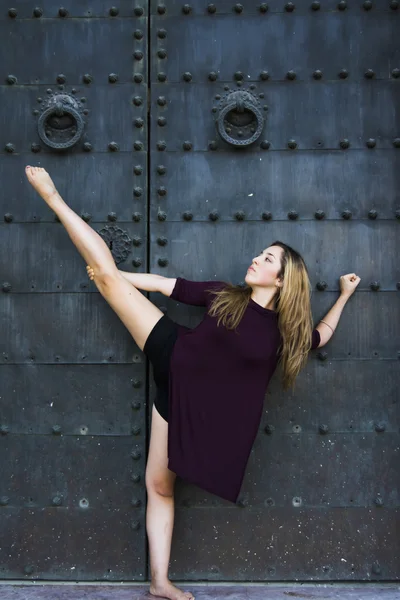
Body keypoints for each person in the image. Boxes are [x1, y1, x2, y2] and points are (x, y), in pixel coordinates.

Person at [25, 166, 360, 600]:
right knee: (106, 276)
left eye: (268, 259)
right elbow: (165, 286)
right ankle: (53, 197)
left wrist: (345, 296)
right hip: (172, 353)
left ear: (282, 280)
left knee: (161, 485)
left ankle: (160, 582)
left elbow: (322, 336)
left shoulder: (285, 332)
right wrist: (118, 279)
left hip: (192, 404)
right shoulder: (224, 294)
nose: (257, 258)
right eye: (261, 253)